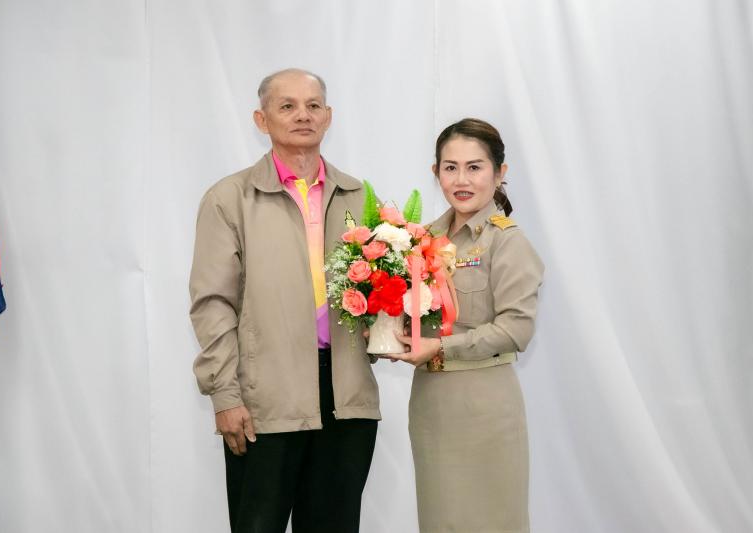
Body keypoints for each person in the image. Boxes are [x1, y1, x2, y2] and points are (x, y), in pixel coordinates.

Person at [189, 68, 380, 533]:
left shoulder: (359, 197)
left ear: (328, 116)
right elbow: (213, 303)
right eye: (287, 106)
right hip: (265, 400)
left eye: (313, 106)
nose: (302, 116)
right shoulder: (229, 198)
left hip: (346, 398)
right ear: (262, 119)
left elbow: (380, 290)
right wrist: (225, 395)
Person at [389, 118, 544, 532]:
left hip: (485, 406)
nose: (461, 179)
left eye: (474, 167)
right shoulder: (421, 239)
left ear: (499, 173)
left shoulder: (506, 241)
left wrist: (440, 348)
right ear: (435, 171)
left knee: (491, 521)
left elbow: (516, 330)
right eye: (450, 167)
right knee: (440, 521)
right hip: (431, 403)